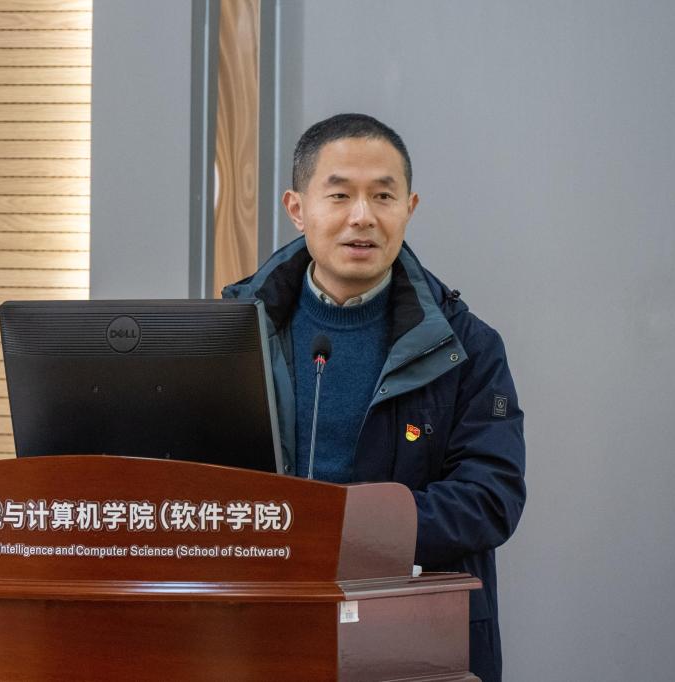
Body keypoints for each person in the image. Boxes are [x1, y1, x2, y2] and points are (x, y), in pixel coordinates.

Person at [222, 113, 525, 682]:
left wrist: (345, 529)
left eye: (383, 196)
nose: (362, 216)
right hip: (261, 630)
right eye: (339, 195)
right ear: (297, 208)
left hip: (413, 635)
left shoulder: (467, 346)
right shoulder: (233, 336)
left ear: (409, 208)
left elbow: (490, 498)